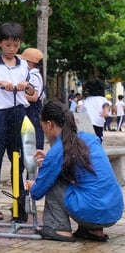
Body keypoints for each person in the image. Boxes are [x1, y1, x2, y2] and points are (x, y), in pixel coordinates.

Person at [29, 101, 123, 242]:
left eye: (42, 127)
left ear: (49, 124)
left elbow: (37, 193)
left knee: (53, 182)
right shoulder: (90, 138)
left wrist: (32, 185)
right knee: (89, 185)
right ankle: (94, 231)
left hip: (93, 211)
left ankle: (58, 228)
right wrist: (52, 160)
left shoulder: (58, 150)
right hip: (113, 210)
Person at [0, 22, 35, 222]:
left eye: (16, 45)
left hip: (19, 113)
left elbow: (31, 91)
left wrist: (24, 86)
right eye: (8, 45)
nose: (12, 49)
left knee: (18, 158)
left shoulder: (23, 65)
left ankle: (18, 201)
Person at [20, 47, 45, 151]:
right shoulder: (36, 74)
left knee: (33, 137)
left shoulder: (33, 76)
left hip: (32, 110)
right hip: (34, 110)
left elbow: (34, 97)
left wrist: (18, 95)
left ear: (29, 62)